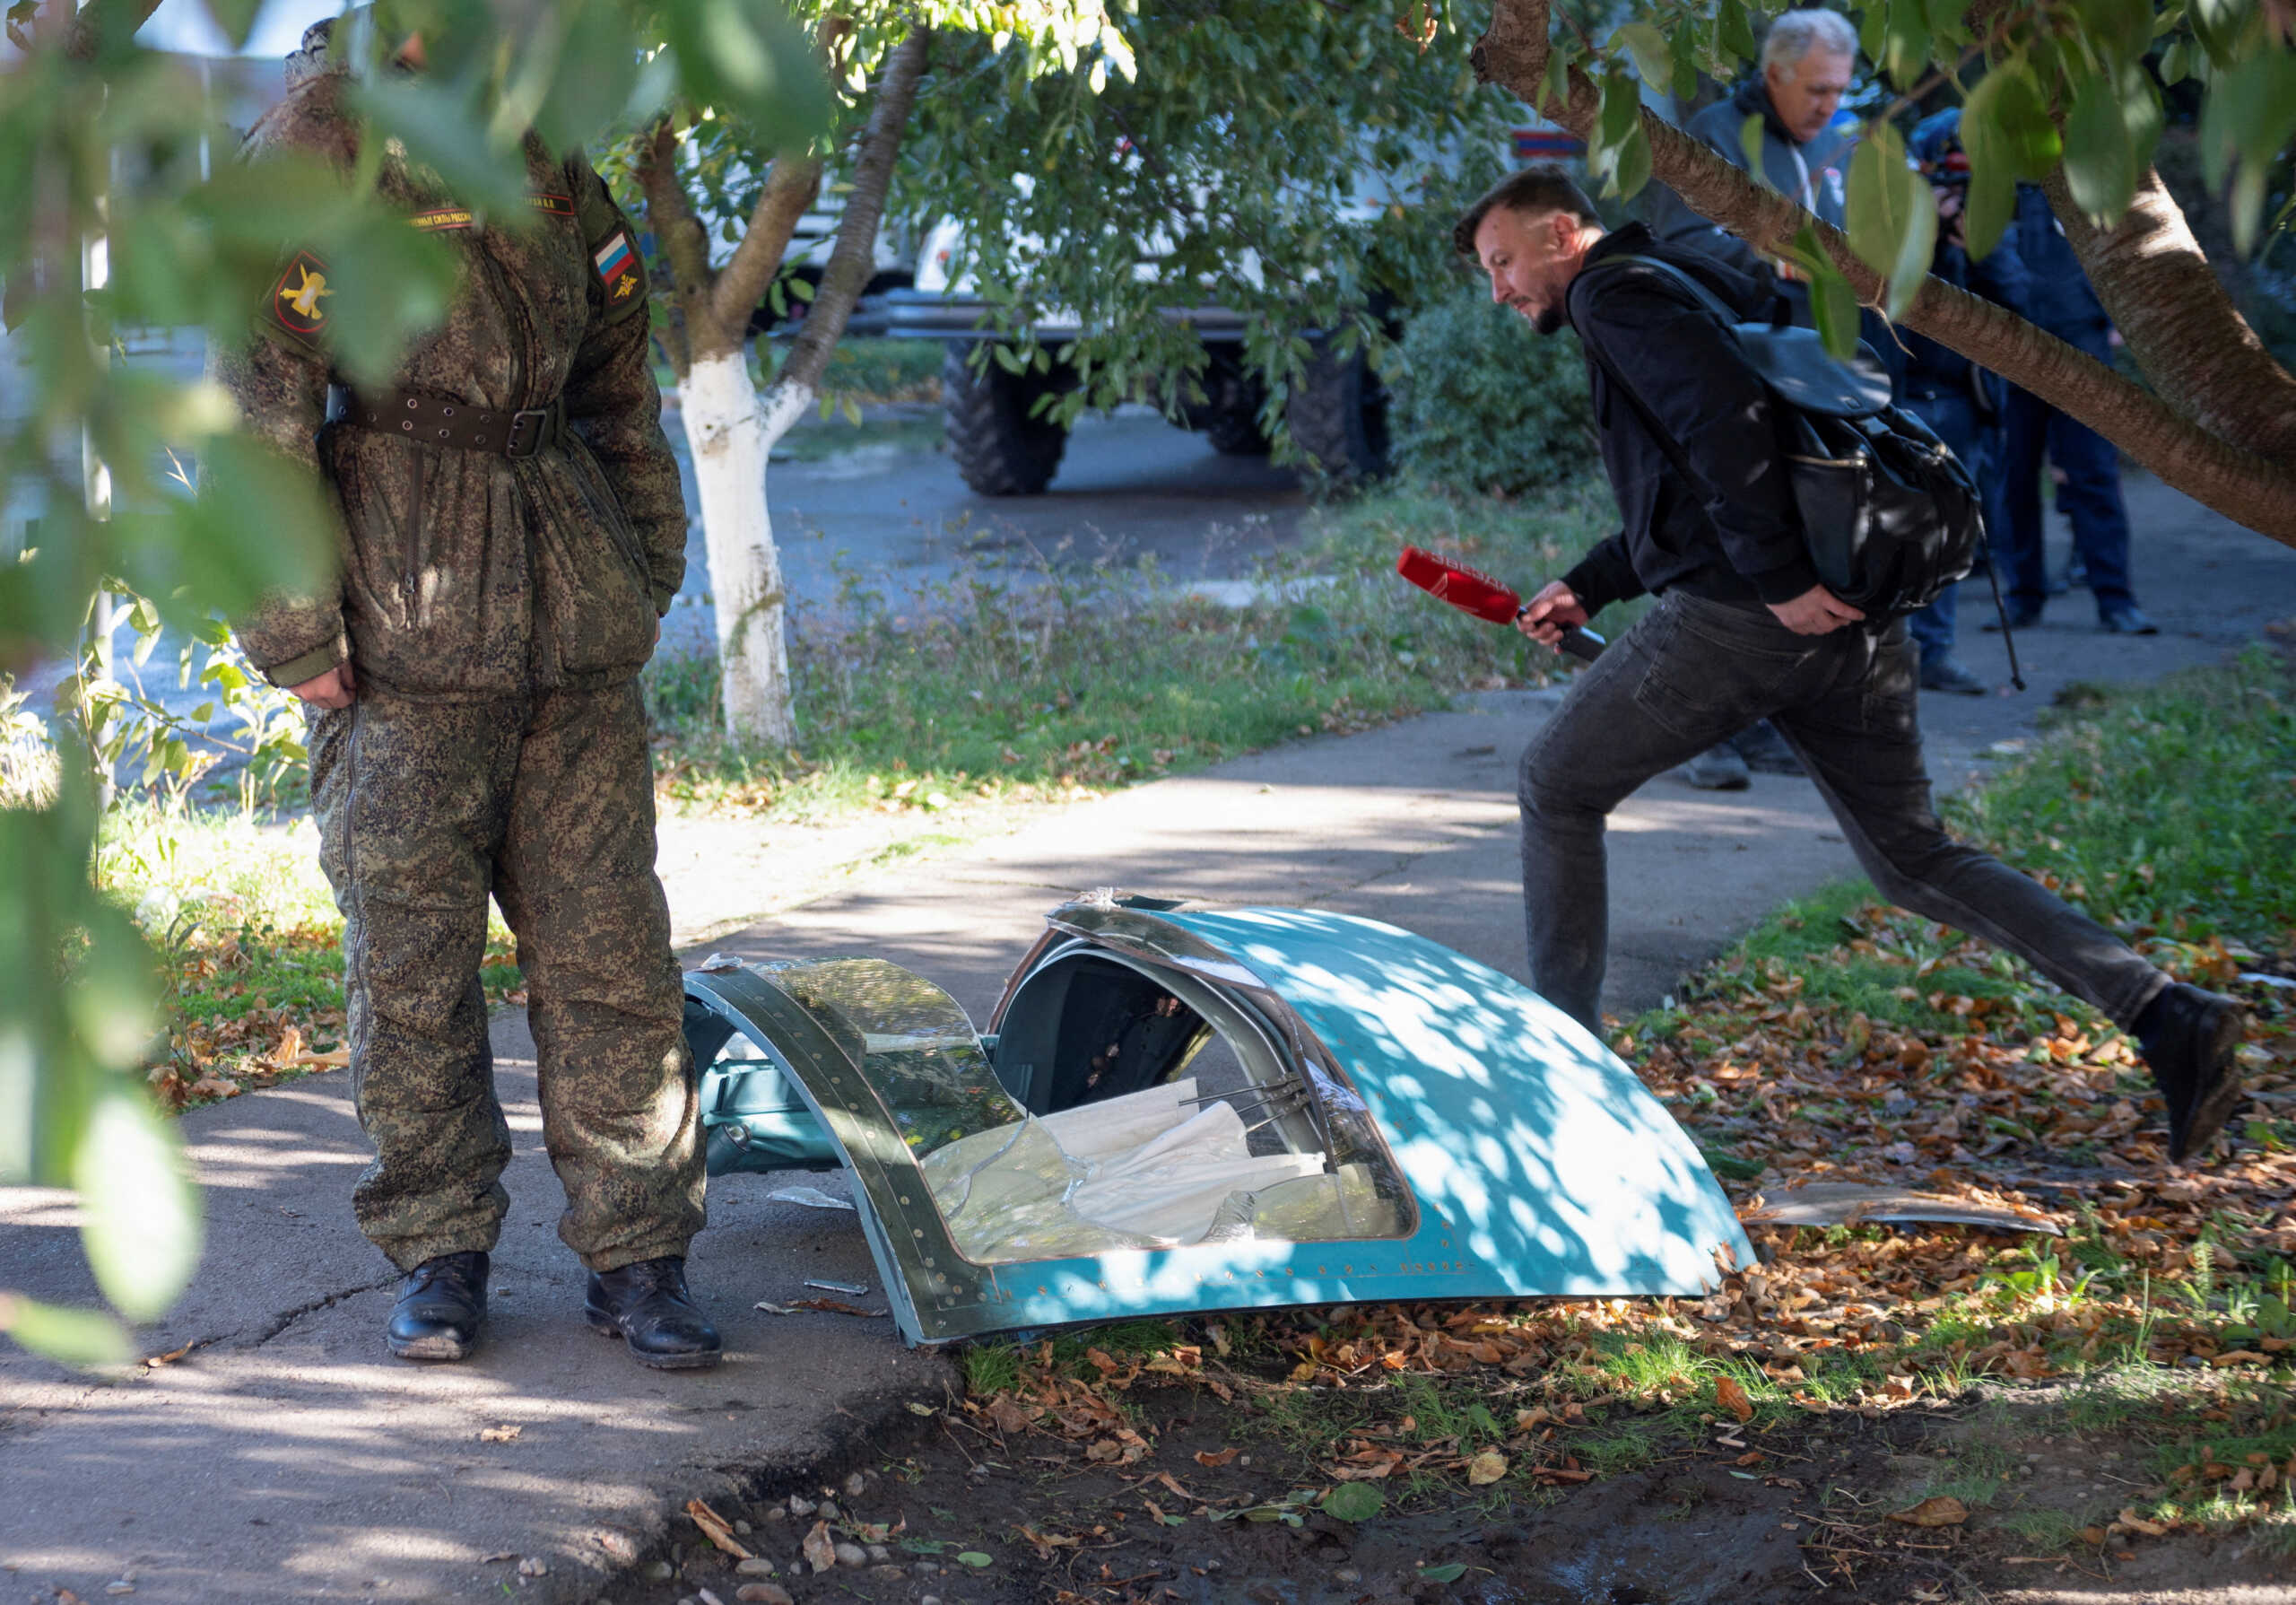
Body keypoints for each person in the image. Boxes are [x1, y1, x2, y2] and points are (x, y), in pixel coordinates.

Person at [1454, 165, 2246, 1163]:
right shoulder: (1688, 269)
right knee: (1913, 855)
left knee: (1554, 785)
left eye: (1502, 263)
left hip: (1747, 619)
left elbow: (1723, 431)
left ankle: (1567, 1077)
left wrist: (1777, 580)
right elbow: (1712, 464)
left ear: (1561, 233)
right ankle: (2166, 1012)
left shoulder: (1613, 295)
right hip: (1854, 610)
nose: (1500, 290)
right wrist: (1591, 580)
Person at [217, 18, 718, 1367]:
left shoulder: (545, 131)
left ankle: (641, 1258)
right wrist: (289, 625)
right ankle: (441, 1250)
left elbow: (619, 371)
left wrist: (643, 560)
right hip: (400, 616)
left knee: (613, 950)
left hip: (570, 622)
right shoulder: (330, 132)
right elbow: (259, 397)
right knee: (413, 961)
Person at [1642, 7, 1862, 788]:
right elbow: (1681, 246)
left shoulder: (1848, 139)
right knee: (1721, 553)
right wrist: (1766, 257)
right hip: (1731, 378)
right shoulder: (1716, 134)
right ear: (1773, 75)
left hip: (1825, 379)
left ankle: (1768, 720)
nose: (1828, 105)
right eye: (1816, 90)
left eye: (1840, 90)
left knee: (1805, 556)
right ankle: (1697, 733)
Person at [1899, 109, 2026, 696]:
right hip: (1903, 391)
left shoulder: (1987, 219)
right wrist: (1925, 233)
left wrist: (1975, 241)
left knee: (1950, 532)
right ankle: (1894, 654)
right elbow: (1892, 296)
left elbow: (2015, 298)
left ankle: (1935, 651)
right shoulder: (1893, 217)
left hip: (1960, 399)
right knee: (1898, 533)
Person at [1992, 183, 2155, 633]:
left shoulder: (2086, 167)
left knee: (2095, 474)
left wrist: (2113, 315)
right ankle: (2023, 597)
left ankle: (2116, 600)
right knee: (2016, 479)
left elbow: (2124, 245)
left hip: (2082, 341)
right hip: (2012, 343)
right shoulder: (1994, 170)